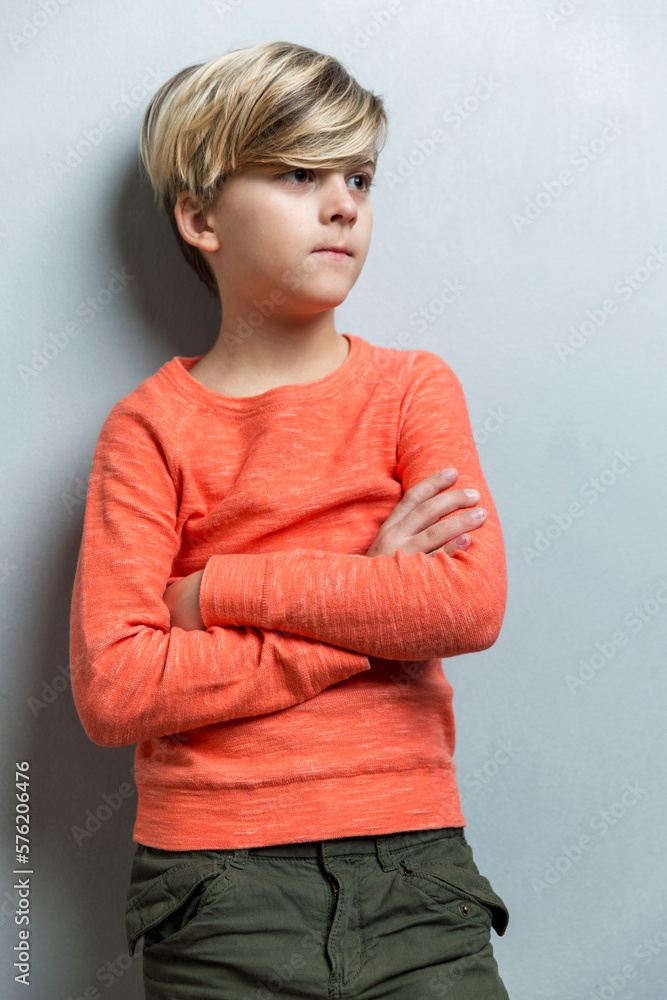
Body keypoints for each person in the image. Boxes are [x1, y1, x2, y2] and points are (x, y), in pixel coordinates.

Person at [69, 39, 512, 1000]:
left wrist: (222, 589)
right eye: (299, 173)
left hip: (415, 869)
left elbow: (466, 605)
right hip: (216, 880)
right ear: (199, 217)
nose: (344, 202)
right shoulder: (150, 426)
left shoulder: (410, 390)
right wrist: (369, 593)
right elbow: (116, 686)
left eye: (358, 174)